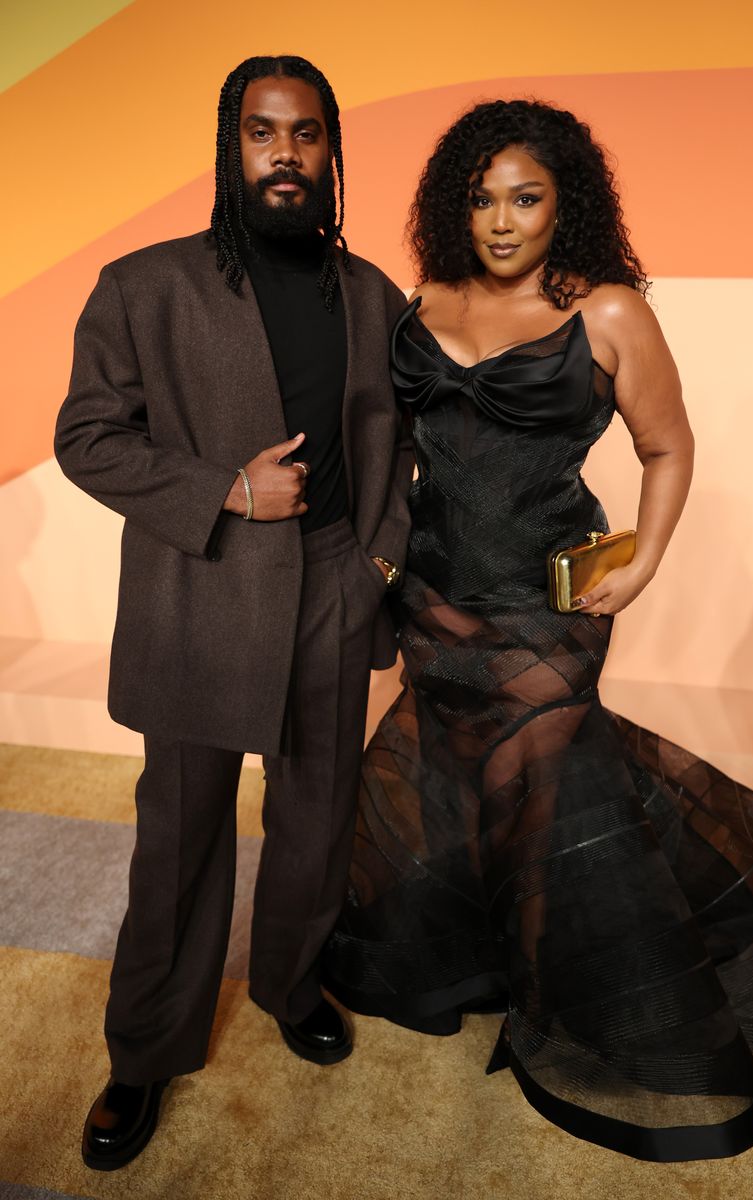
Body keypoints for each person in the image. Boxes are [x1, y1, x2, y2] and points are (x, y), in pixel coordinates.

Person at [323, 99, 753, 1162]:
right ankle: (476, 962)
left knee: (541, 784)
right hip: (434, 601)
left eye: (525, 198)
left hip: (547, 611)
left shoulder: (610, 312)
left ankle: (562, 997)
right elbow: (391, 457)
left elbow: (669, 449)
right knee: (451, 776)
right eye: (481, 199)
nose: (500, 222)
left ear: (563, 203)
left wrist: (643, 567)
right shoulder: (422, 300)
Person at [55, 54, 412, 1171]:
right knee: (180, 836)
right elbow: (87, 437)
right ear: (231, 148)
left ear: (330, 153)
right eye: (264, 133)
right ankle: (145, 1048)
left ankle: (292, 983)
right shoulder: (141, 286)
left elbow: (404, 453)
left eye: (306, 135)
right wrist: (224, 490)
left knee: (316, 822)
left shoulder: (370, 297)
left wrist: (379, 570)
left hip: (333, 589)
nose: (286, 154)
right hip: (203, 593)